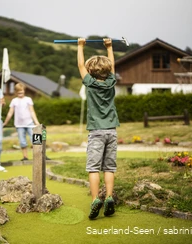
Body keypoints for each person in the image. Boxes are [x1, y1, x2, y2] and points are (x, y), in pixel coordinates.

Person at [77, 37, 120, 219]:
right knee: (109, 167)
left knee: (93, 168)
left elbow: (80, 65)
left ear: (90, 71)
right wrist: (109, 47)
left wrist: (80, 46)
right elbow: (113, 66)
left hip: (96, 133)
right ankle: (109, 196)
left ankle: (95, 199)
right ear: (107, 70)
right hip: (112, 131)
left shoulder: (90, 84)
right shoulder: (111, 82)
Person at [3, 83, 40, 161]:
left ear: (24, 91)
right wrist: (5, 122)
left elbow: (32, 111)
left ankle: (39, 155)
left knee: (36, 139)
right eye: (18, 92)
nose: (20, 93)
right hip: (19, 125)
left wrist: (36, 122)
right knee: (22, 141)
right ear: (16, 92)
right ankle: (25, 157)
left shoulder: (28, 99)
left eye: (21, 91)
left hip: (29, 123)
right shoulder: (14, 101)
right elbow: (10, 113)